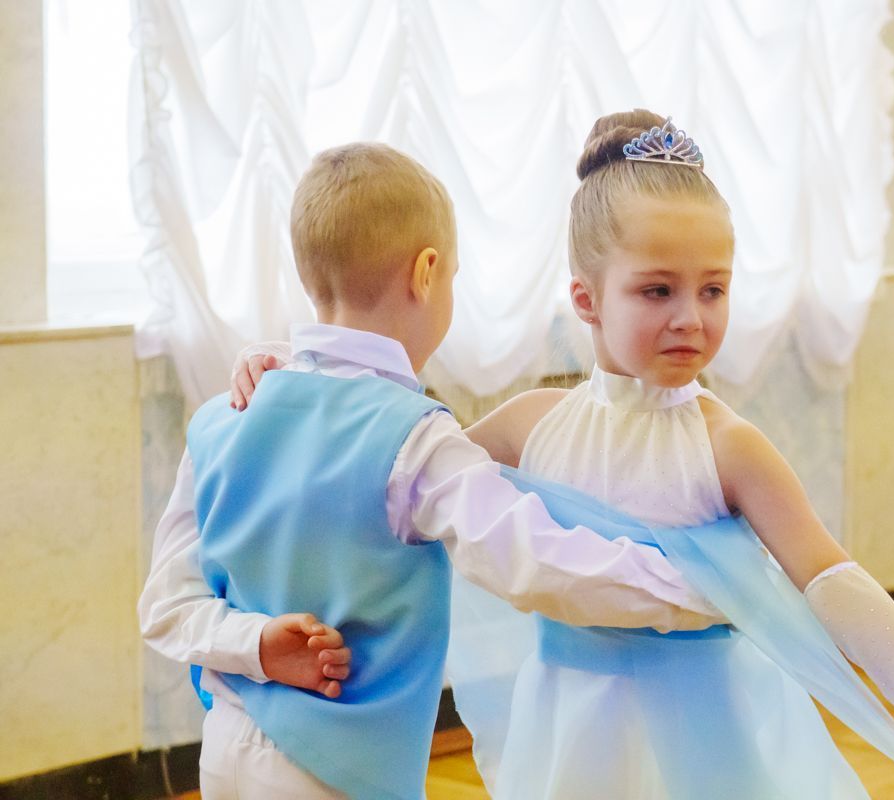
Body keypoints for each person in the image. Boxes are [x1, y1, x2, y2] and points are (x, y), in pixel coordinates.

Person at [138, 142, 726, 800]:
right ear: (426, 272)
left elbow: (165, 606)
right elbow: (538, 559)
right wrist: (709, 588)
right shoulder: (414, 437)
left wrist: (256, 645)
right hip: (339, 775)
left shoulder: (223, 416)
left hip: (222, 754)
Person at [442, 110, 894, 799]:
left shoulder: (728, 447)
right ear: (586, 299)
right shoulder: (529, 427)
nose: (691, 318)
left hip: (703, 746)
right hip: (568, 734)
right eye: (657, 290)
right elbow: (405, 487)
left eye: (713, 289)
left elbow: (833, 582)